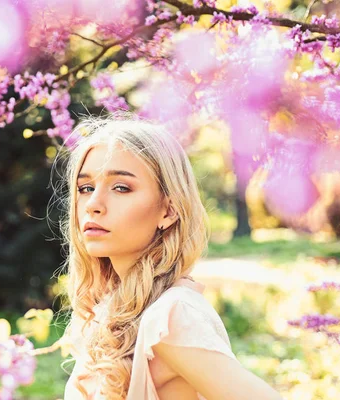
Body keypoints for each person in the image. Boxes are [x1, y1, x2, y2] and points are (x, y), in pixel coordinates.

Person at [55, 113, 282, 399]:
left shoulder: (170, 316)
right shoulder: (110, 307)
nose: (93, 205)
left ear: (168, 211)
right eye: (86, 188)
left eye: (121, 188)